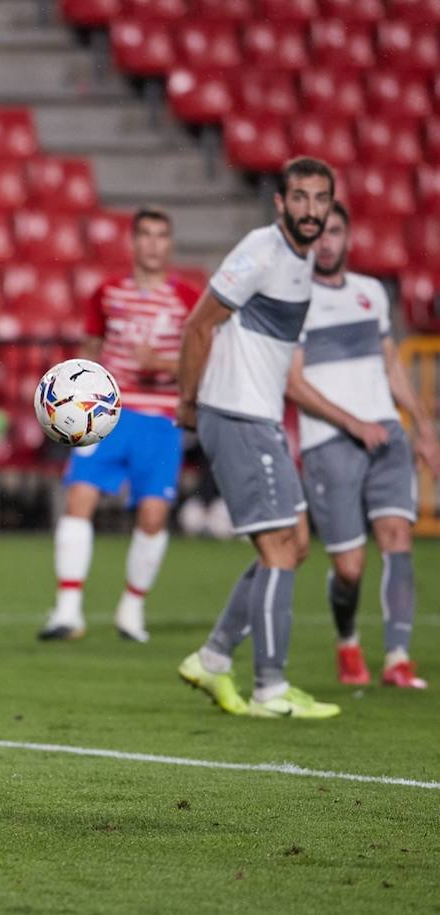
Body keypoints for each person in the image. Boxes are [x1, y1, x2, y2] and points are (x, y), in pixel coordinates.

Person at [175, 156, 370, 720]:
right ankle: (270, 687)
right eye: (301, 198)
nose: (312, 210)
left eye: (321, 200)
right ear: (280, 202)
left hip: (257, 413)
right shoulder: (262, 251)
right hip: (236, 411)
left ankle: (212, 661)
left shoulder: (300, 260)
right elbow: (198, 325)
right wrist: (189, 404)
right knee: (279, 550)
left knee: (297, 543)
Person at [287, 201, 439, 689]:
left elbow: (391, 364)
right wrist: (353, 423)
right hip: (330, 441)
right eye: (320, 234)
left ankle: (397, 658)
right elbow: (293, 383)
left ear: (348, 237)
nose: (327, 241)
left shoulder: (371, 293)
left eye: (335, 231)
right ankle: (348, 642)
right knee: (349, 567)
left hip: (385, 436)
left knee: (398, 539)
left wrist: (422, 425)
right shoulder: (293, 301)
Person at [38, 207, 199, 643]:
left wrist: (163, 363)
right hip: (109, 416)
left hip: (162, 418)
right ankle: (68, 612)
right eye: (144, 234)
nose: (152, 243)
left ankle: (131, 610)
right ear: (133, 242)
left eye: (160, 235)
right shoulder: (107, 293)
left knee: (152, 515)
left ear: (170, 244)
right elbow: (89, 351)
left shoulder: (188, 298)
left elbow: (203, 362)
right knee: (79, 499)